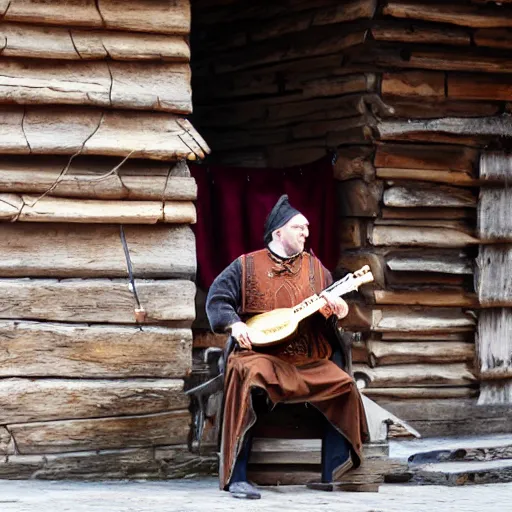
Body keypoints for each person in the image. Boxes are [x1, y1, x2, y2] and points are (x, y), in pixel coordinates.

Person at [206, 195, 369, 500]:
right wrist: (234, 324)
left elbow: (329, 314)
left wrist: (338, 310)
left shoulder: (317, 269)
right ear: (278, 233)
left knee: (344, 384)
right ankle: (238, 476)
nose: (305, 232)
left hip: (305, 358)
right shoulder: (245, 265)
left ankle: (333, 472)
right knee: (248, 375)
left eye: (307, 227)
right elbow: (217, 299)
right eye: (298, 227)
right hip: (260, 353)